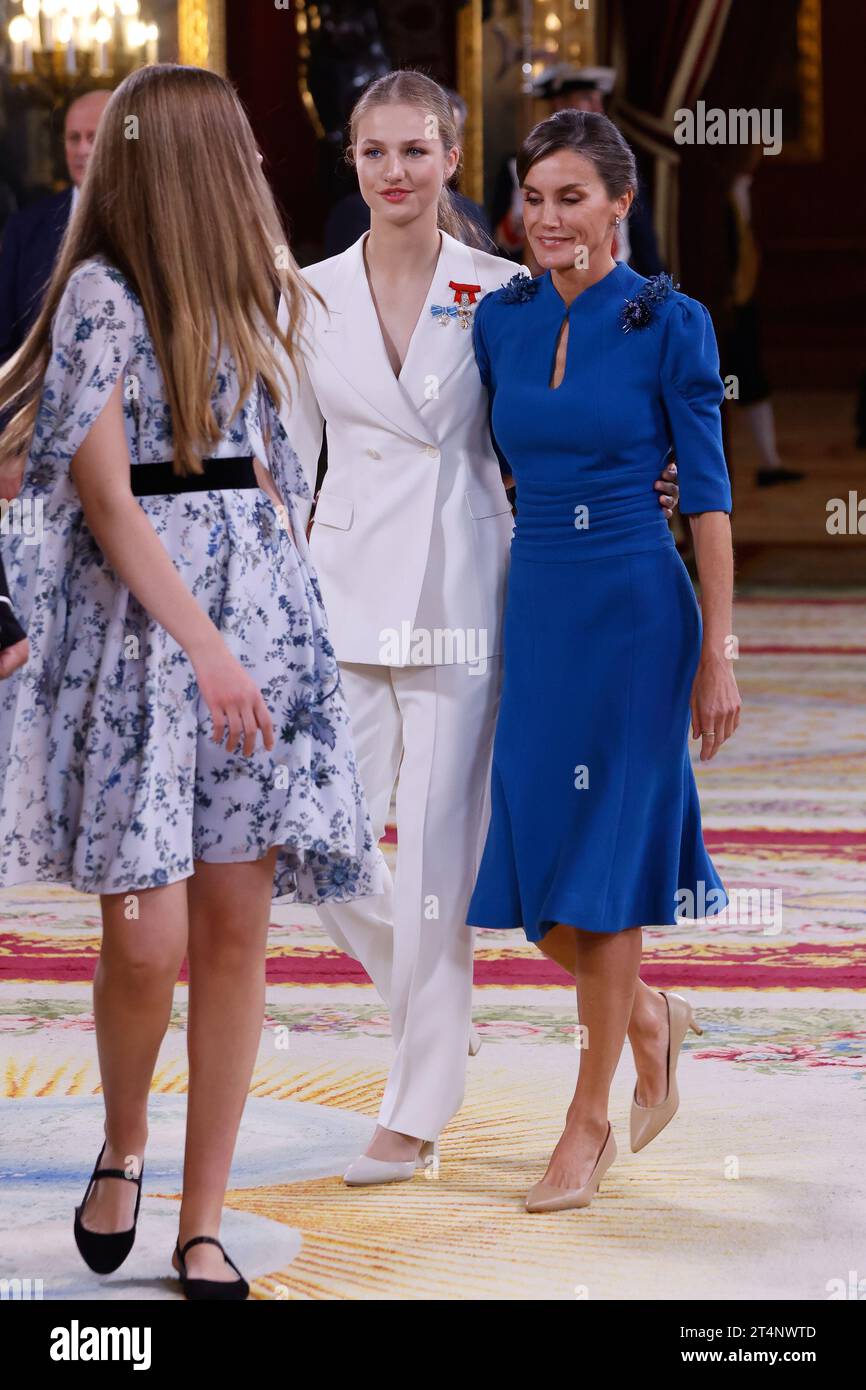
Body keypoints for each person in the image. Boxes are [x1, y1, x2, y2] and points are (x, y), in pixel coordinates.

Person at [0, 64, 379, 1297]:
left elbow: (272, 479)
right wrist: (205, 646)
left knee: (233, 930)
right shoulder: (103, 295)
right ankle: (123, 1143)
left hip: (259, 620)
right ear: (196, 162)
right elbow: (106, 499)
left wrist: (290, 638)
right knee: (146, 937)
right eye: (245, 153)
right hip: (147, 637)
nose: (262, 172)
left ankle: (201, 1219)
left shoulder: (257, 291)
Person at [276, 70, 681, 1187]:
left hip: (463, 593)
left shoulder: (504, 288)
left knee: (434, 871)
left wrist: (636, 482)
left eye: (414, 150)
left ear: (451, 158)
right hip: (339, 592)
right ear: (351, 163)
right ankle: (615, 1009)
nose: (394, 172)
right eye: (373, 153)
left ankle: (413, 1113)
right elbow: (283, 465)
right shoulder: (302, 294)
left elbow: (587, 384)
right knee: (322, 849)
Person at [466, 110, 740, 1212]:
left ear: (621, 204)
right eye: (532, 198)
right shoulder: (497, 320)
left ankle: (585, 1123)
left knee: (608, 868)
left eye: (570, 197)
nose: (545, 219)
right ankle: (644, 1015)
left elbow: (708, 494)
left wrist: (717, 652)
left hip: (636, 608)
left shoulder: (672, 322)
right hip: (536, 601)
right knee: (537, 872)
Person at [0, 89, 111, 362]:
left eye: (93, 137)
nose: (82, 150)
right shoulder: (24, 229)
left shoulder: (152, 223)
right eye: (74, 138)